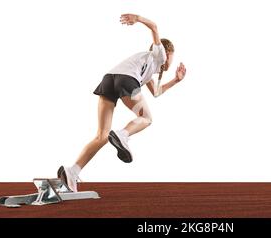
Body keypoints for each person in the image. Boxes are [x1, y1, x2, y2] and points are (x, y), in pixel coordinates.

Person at [57, 13, 187, 192]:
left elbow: (156, 92)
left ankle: (72, 171)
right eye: (172, 56)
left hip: (109, 80)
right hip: (126, 80)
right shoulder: (160, 56)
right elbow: (155, 27)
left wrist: (175, 81)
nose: (171, 60)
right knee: (147, 118)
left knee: (101, 136)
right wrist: (138, 18)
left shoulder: (146, 67)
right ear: (168, 52)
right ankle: (123, 135)